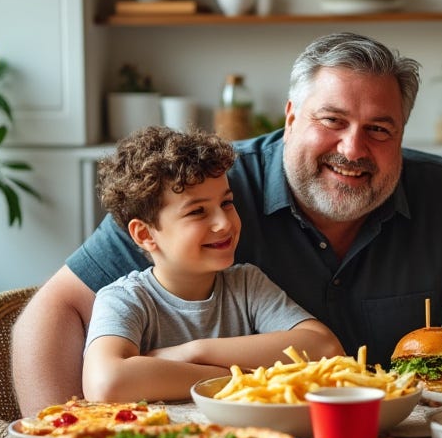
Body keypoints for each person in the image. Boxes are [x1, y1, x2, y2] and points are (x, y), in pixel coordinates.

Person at [12, 31, 442, 417]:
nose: (353, 149)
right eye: (332, 122)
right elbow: (56, 311)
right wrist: (65, 435)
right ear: (289, 119)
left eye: (380, 129)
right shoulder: (212, 192)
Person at [83, 126, 344, 402]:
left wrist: (193, 352)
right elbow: (106, 383)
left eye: (227, 203)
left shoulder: (246, 285)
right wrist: (240, 377)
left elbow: (325, 348)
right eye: (197, 211)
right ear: (145, 234)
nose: (223, 223)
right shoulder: (124, 299)